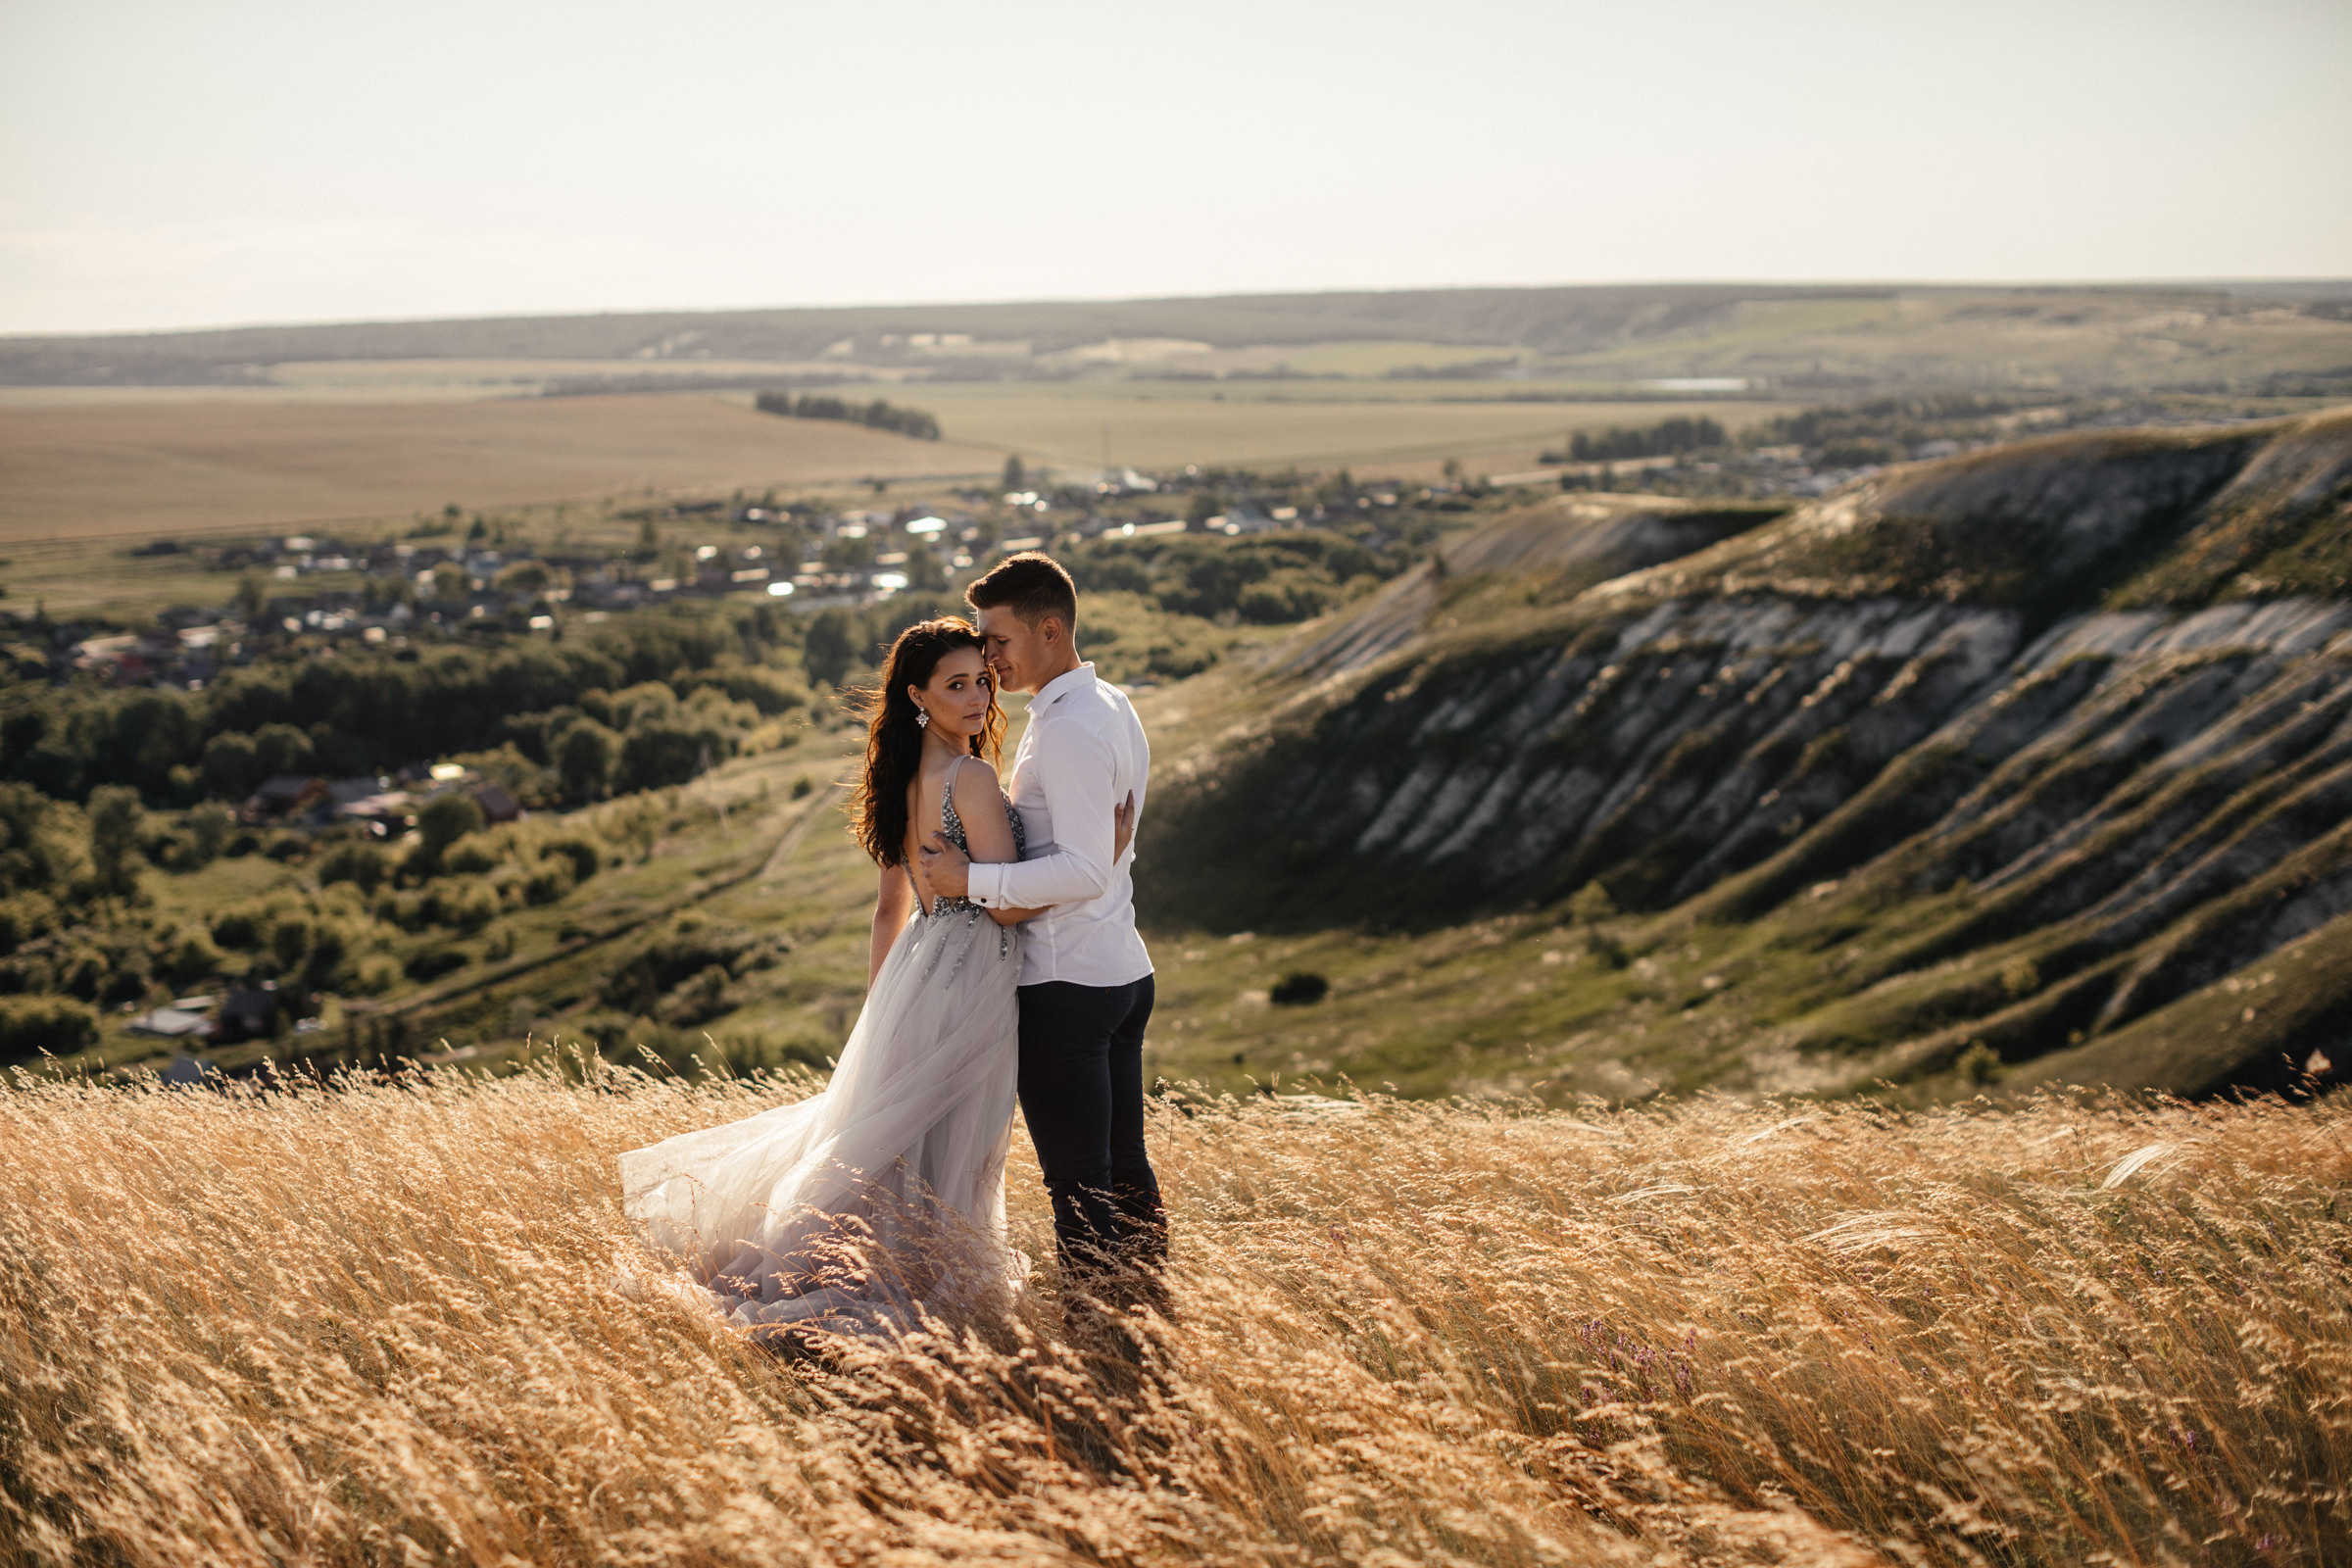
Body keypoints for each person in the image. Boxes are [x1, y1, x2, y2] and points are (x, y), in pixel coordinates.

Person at [616, 616, 1131, 1343]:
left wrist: (882, 1013)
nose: (980, 695)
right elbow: (1008, 909)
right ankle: (924, 1286)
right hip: (972, 973)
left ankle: (883, 1270)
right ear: (918, 695)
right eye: (957, 685)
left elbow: (889, 911)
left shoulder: (898, 782)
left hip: (918, 973)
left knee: (898, 1143)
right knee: (955, 1143)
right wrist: (1098, 859)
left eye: (983, 679)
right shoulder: (970, 777)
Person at [918, 553, 1166, 1316]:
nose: (987, 658)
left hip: (1069, 982)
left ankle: (1102, 1336)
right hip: (1118, 970)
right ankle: (1150, 1316)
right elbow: (1107, 848)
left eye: (997, 641)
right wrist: (1100, 859)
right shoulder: (1108, 705)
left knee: (1081, 1181)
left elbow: (1086, 866)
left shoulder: (1068, 729)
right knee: (1123, 1167)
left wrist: (974, 883)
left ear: (1050, 630)